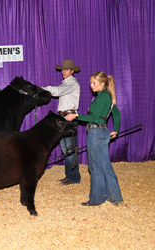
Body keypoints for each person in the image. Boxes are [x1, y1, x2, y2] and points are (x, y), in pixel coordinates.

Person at [65, 71, 123, 206]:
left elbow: (94, 118)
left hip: (96, 132)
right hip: (102, 132)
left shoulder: (103, 96)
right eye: (91, 83)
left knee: (95, 167)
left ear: (102, 84)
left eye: (94, 83)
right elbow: (116, 112)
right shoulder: (105, 96)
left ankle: (96, 199)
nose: (92, 86)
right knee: (104, 165)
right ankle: (114, 196)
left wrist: (76, 116)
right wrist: (116, 129)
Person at [42, 59, 81, 185]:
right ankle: (70, 175)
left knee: (70, 148)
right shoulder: (66, 84)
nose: (63, 72)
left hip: (69, 116)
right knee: (65, 148)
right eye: (62, 70)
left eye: (66, 70)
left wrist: (44, 89)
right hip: (63, 117)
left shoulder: (72, 83)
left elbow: (58, 91)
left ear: (72, 71)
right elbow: (60, 90)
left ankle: (74, 177)